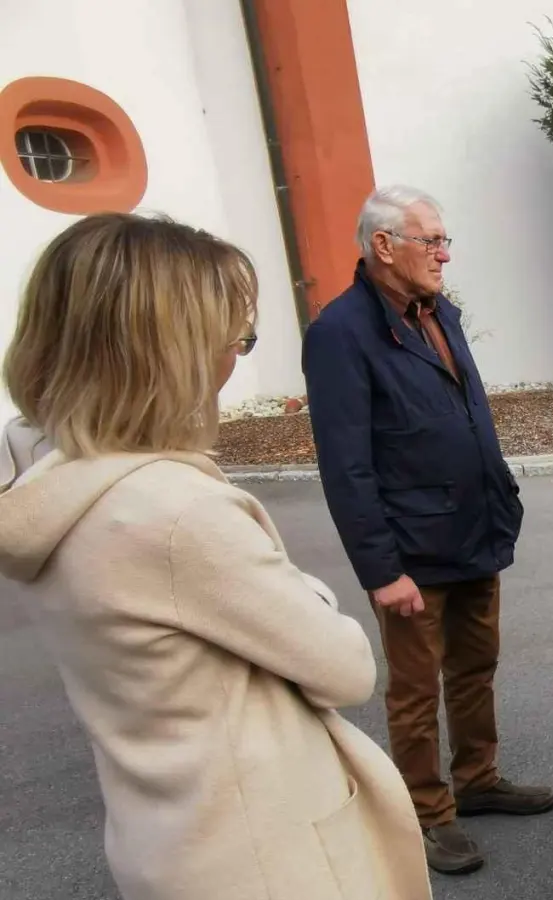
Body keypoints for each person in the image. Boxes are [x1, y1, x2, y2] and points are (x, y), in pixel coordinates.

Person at [0, 213, 430, 900]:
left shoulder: (52, 484)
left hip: (166, 835)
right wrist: (309, 590)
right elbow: (347, 666)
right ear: (172, 352)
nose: (235, 358)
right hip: (265, 853)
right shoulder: (174, 512)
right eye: (234, 337)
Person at [303, 185, 553, 875]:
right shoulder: (340, 333)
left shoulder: (440, 312)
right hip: (412, 550)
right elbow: (346, 465)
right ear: (383, 246)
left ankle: (477, 781)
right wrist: (382, 571)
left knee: (475, 669)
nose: (446, 253)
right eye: (432, 240)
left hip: (475, 531)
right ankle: (426, 811)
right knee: (415, 692)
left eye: (445, 240)